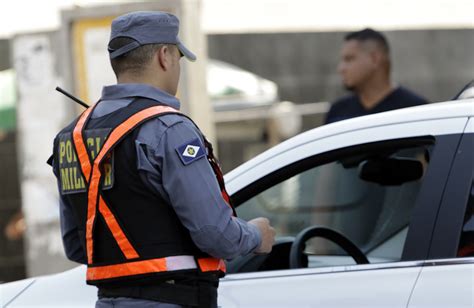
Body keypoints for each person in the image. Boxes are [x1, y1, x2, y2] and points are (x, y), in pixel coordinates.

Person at [48, 11, 275, 308]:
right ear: (165, 56)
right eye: (179, 58)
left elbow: (79, 245)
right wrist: (256, 235)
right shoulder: (170, 129)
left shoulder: (71, 137)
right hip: (174, 298)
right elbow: (215, 234)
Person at [325, 28, 430, 124]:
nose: (341, 68)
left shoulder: (414, 111)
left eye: (349, 59)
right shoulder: (338, 112)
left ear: (374, 59)